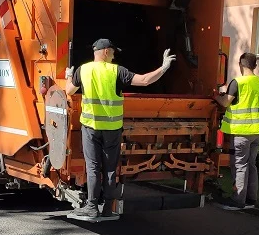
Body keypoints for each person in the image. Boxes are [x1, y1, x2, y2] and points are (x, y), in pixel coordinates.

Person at [65, 39, 176, 218]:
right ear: (106, 52)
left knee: (93, 167)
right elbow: (145, 80)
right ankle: (108, 208)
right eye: (113, 52)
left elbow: (69, 90)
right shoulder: (116, 71)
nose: (115, 55)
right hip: (112, 130)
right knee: (109, 169)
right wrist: (163, 67)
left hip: (91, 128)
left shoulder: (83, 70)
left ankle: (92, 206)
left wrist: (69, 75)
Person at [215, 52, 259, 211]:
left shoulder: (238, 82)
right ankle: (251, 199)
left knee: (239, 165)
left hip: (241, 132)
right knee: (251, 165)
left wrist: (216, 96)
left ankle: (238, 200)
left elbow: (225, 103)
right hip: (258, 132)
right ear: (255, 65)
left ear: (241, 64)